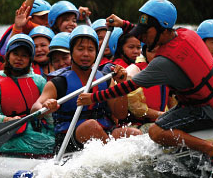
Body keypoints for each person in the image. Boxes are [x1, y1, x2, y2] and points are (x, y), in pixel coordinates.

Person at [76, 0, 213, 178]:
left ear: (162, 30)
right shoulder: (184, 34)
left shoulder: (163, 63)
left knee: (156, 132)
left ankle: (212, 150)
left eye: (145, 33)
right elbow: (148, 32)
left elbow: (127, 86)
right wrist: (123, 24)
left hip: (208, 112)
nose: (141, 38)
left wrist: (93, 98)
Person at [31, 25, 141, 154]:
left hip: (103, 132)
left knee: (134, 133)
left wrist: (121, 85)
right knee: (91, 126)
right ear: (71, 52)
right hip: (69, 138)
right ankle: (113, 160)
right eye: (80, 49)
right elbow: (35, 108)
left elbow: (120, 114)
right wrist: (45, 105)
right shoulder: (58, 82)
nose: (86, 54)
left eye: (90, 49)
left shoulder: (105, 79)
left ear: (96, 53)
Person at [0, 34, 55, 157]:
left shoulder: (39, 81)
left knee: (55, 143)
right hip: (10, 136)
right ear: (8, 56)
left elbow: (49, 115)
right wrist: (7, 120)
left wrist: (54, 130)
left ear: (30, 59)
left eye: (24, 55)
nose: (19, 58)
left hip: (38, 132)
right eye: (15, 54)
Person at [125, 45, 176, 130]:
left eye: (160, 51)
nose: (156, 55)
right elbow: (137, 109)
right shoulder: (132, 71)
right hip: (138, 126)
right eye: (152, 51)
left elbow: (173, 103)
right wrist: (164, 115)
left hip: (162, 121)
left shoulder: (169, 71)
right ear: (144, 52)